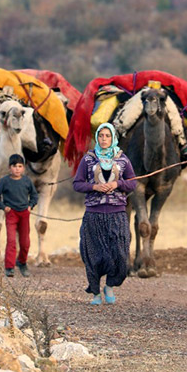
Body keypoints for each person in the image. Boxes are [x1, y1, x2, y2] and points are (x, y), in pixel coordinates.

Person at [72, 122, 137, 305]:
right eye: (101, 136)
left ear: (113, 137)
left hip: (117, 214)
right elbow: (77, 183)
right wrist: (94, 187)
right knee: (94, 255)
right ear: (97, 138)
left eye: (108, 136)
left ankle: (109, 285)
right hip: (94, 214)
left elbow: (133, 182)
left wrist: (118, 184)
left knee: (120, 255)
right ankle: (96, 293)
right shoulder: (88, 159)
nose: (104, 139)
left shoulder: (122, 159)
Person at [0, 153, 39, 278]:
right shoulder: (5, 181)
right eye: (14, 166)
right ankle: (9, 267)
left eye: (19, 166)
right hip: (11, 213)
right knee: (11, 240)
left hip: (24, 213)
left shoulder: (27, 181)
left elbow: (34, 195)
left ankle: (22, 262)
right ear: (9, 168)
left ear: (23, 168)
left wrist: (31, 205)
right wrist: (3, 207)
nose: (17, 169)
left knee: (25, 242)